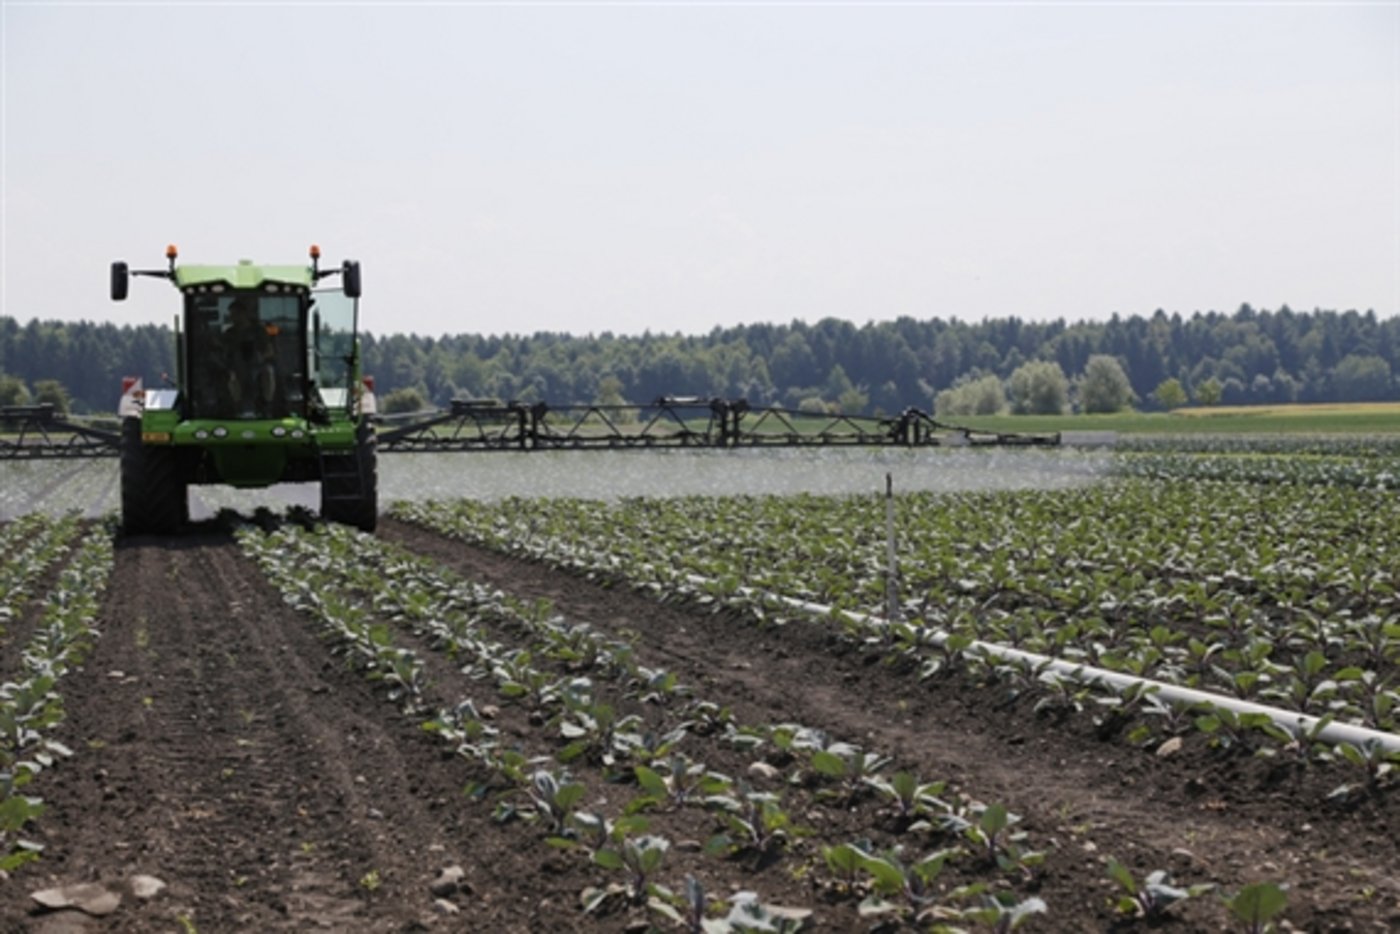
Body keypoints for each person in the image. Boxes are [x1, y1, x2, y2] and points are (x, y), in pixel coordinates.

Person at [223, 297, 278, 416]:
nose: (233, 317)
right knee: (232, 379)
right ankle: (237, 407)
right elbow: (224, 352)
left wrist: (260, 357)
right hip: (236, 367)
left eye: (236, 314)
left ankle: (267, 404)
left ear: (244, 314)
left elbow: (270, 350)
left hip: (258, 365)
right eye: (232, 314)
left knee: (268, 372)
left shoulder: (258, 331)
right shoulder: (229, 333)